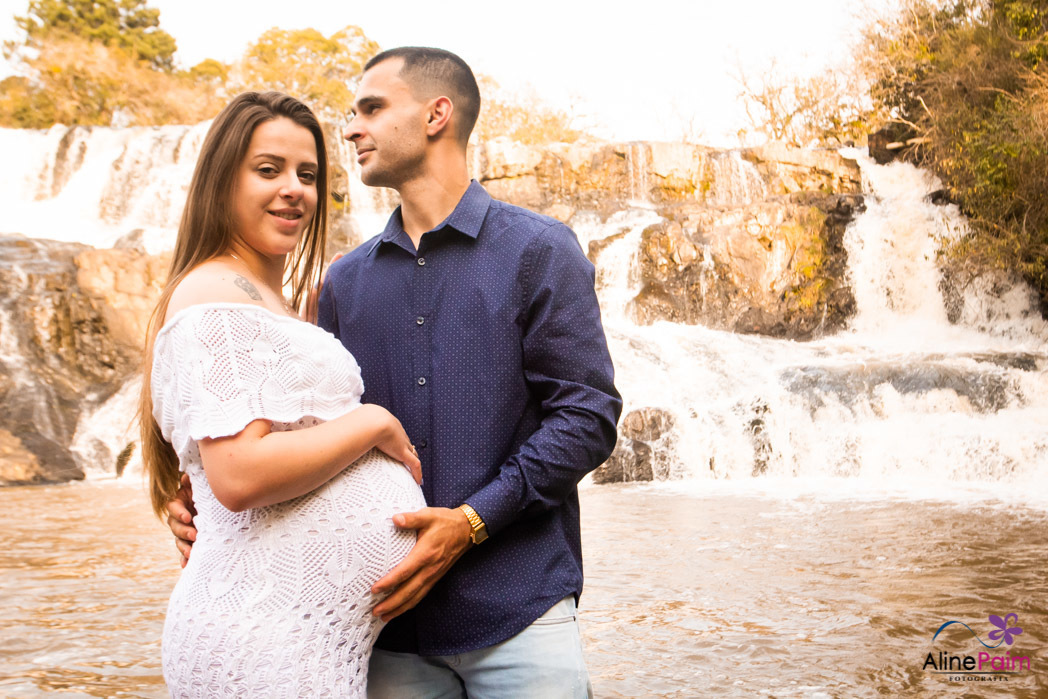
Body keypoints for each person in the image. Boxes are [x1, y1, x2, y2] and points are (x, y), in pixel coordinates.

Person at [169, 48, 622, 698]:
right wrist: (196, 502)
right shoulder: (340, 285)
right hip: (383, 628)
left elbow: (586, 419)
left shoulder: (539, 251)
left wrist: (470, 521)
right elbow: (280, 438)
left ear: (438, 114)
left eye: (372, 108)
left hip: (520, 612)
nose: (351, 129)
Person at [140, 91, 426, 698]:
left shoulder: (267, 301)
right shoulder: (211, 297)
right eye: (267, 170)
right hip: (265, 639)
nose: (293, 188)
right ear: (221, 181)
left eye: (308, 174)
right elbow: (239, 476)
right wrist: (373, 423)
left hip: (299, 634)